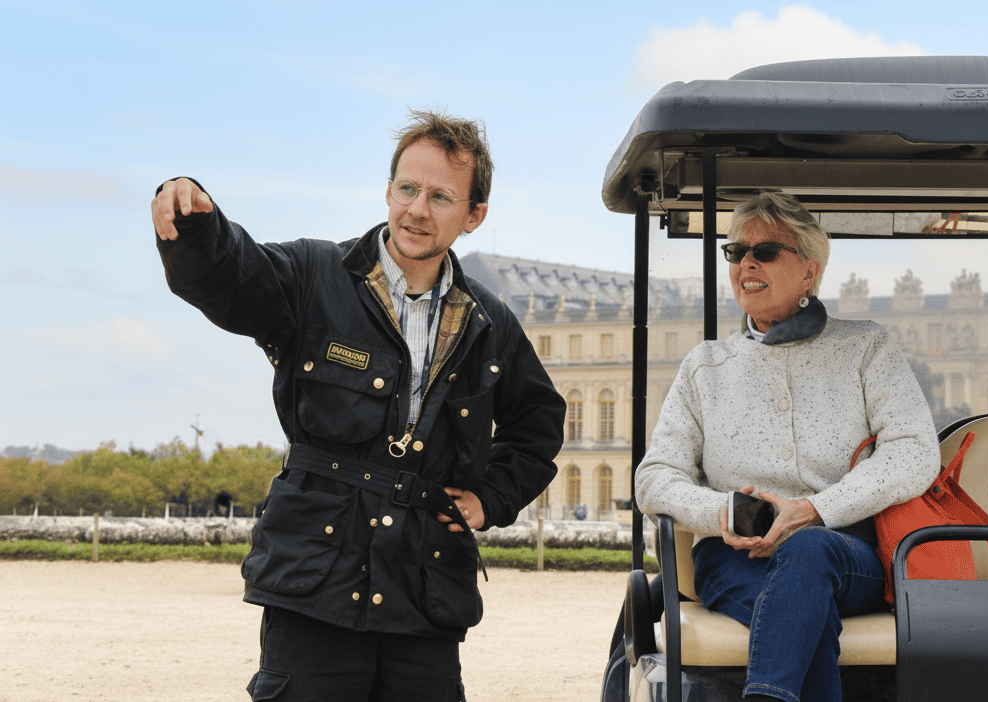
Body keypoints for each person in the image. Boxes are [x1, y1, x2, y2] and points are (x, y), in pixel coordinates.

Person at [150, 109, 565, 702]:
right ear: (388, 190)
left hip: (426, 588)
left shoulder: (490, 322)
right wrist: (193, 221)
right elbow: (232, 278)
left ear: (474, 216)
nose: (418, 209)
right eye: (407, 188)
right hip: (314, 575)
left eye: (441, 196)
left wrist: (492, 497)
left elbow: (540, 420)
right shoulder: (313, 275)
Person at [634, 192, 941, 702]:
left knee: (806, 549)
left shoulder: (865, 347)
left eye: (767, 251)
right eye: (736, 253)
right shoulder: (704, 366)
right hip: (734, 558)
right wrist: (729, 512)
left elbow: (913, 451)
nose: (747, 263)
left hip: (846, 552)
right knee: (799, 616)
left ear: (809, 271)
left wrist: (817, 510)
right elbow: (655, 477)